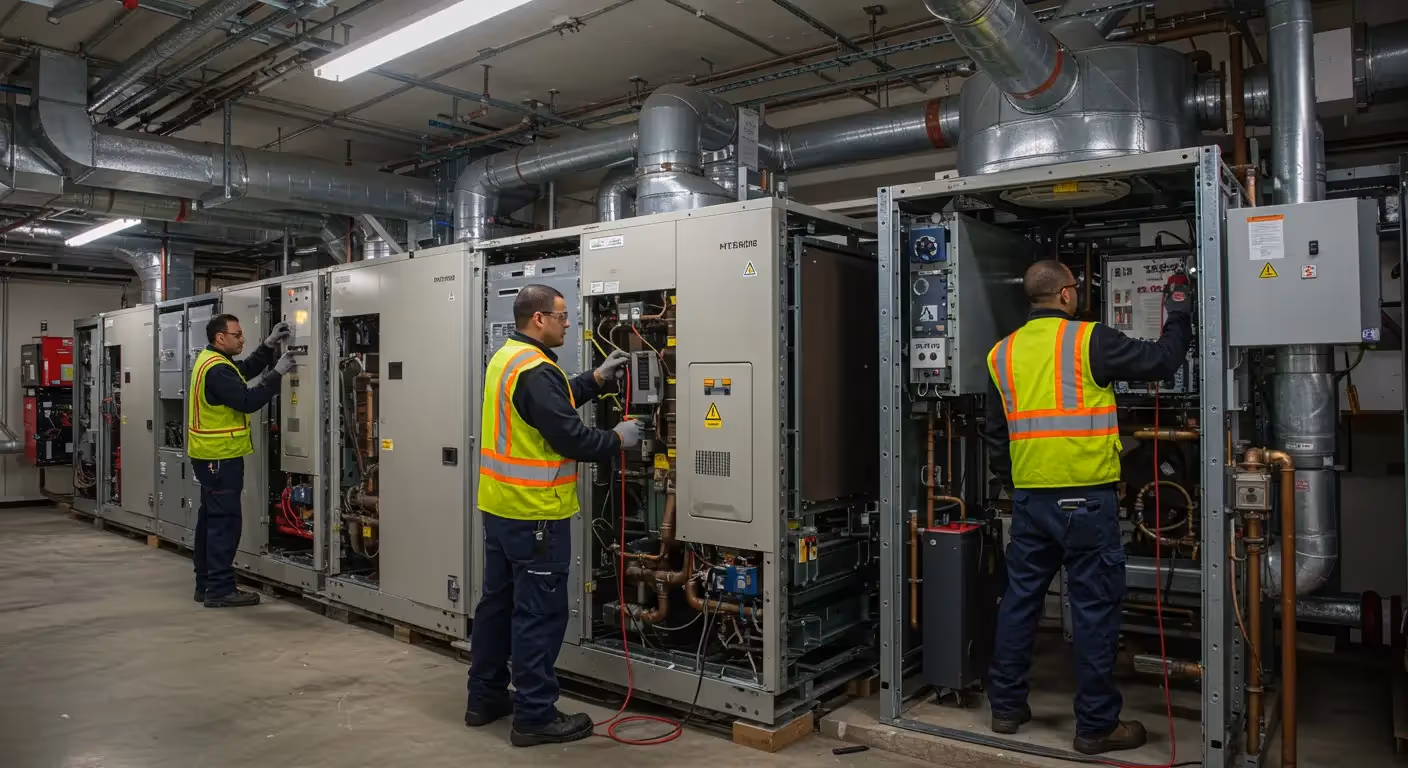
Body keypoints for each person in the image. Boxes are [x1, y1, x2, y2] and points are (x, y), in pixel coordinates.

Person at [982, 259, 1193, 755]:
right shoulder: (1088, 340)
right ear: (1066, 295)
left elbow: (995, 433)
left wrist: (1014, 485)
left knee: (1019, 603)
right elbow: (1164, 361)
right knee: (1095, 610)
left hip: (1031, 502)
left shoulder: (1001, 353)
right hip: (1086, 499)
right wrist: (1179, 311)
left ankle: (1006, 709)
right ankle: (1097, 725)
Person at [466, 284, 637, 747]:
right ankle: (535, 715)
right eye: (562, 316)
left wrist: (595, 379)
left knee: (497, 606)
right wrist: (618, 439)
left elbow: (546, 403)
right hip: (536, 513)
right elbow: (570, 437)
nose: (568, 323)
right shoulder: (536, 370)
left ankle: (484, 698)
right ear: (539, 319)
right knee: (539, 615)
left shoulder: (509, 357)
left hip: (501, 509)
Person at [187, 314, 294, 608]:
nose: (241, 339)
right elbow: (247, 400)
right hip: (220, 457)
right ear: (221, 337)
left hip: (210, 457)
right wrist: (278, 375)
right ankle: (220, 589)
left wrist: (268, 347)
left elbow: (243, 371)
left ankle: (206, 584)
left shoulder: (212, 360)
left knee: (210, 521)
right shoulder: (217, 369)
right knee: (224, 524)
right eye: (237, 335)